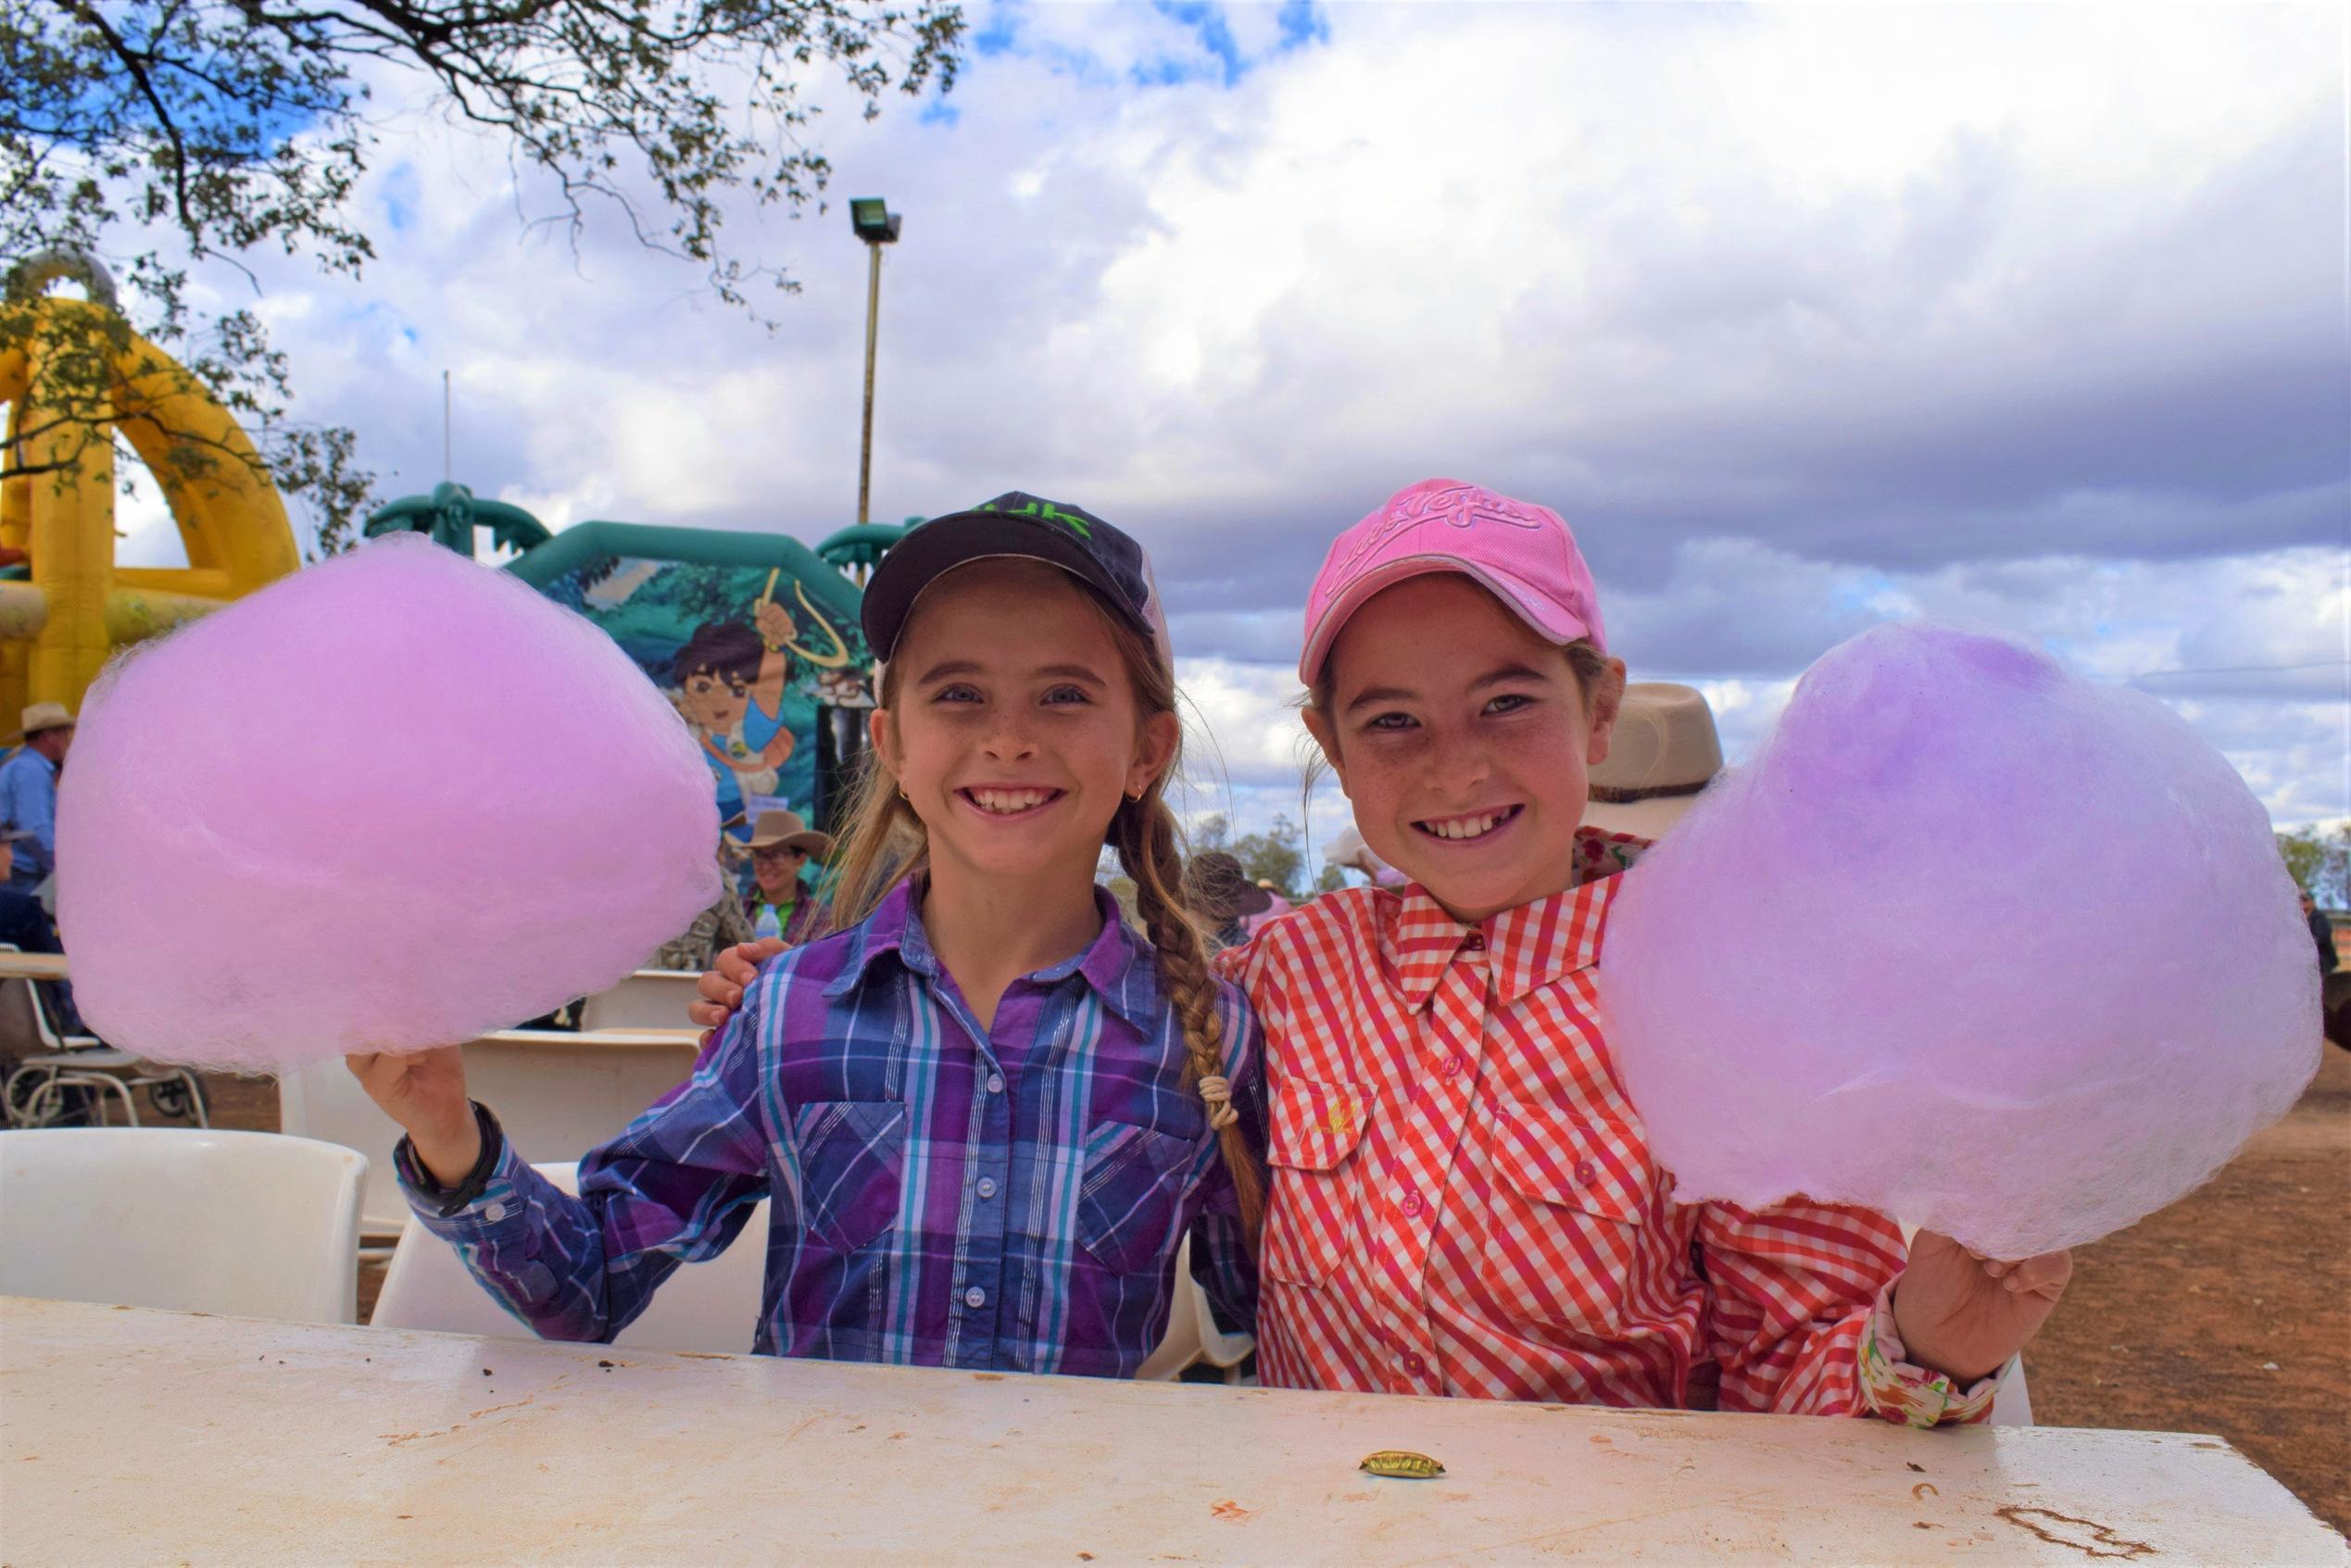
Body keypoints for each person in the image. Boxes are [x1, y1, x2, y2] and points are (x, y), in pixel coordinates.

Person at [695, 479, 2069, 1424]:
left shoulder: (1741, 1001)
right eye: (1392, 720)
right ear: (1332, 751)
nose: (1452, 763)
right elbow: (1078, 1021)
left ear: (1595, 711)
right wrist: (829, 999)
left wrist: (1927, 1344)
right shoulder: (1283, 977)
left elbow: (1795, 1377)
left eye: (1505, 700)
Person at [353, 494, 1264, 1375]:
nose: (1010, 738)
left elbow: (1269, 1322)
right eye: (958, 693)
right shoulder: (789, 1014)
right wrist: (447, 1135)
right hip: (816, 1525)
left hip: (1081, 1532)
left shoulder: (1211, 1039)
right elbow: (588, 1284)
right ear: (894, 745)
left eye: (1064, 693)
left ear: (1147, 751)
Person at [0, 703, 73, 895]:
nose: (68, 738)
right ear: (48, 736)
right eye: (64, 731)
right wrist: (63, 870)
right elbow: (35, 828)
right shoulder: (31, 770)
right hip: (20, 875)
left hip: (18, 871)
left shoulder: (25, 766)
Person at [741, 809, 831, 947]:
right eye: (759, 856)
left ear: (800, 860)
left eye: (777, 856)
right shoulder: (737, 908)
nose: (765, 867)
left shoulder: (819, 917)